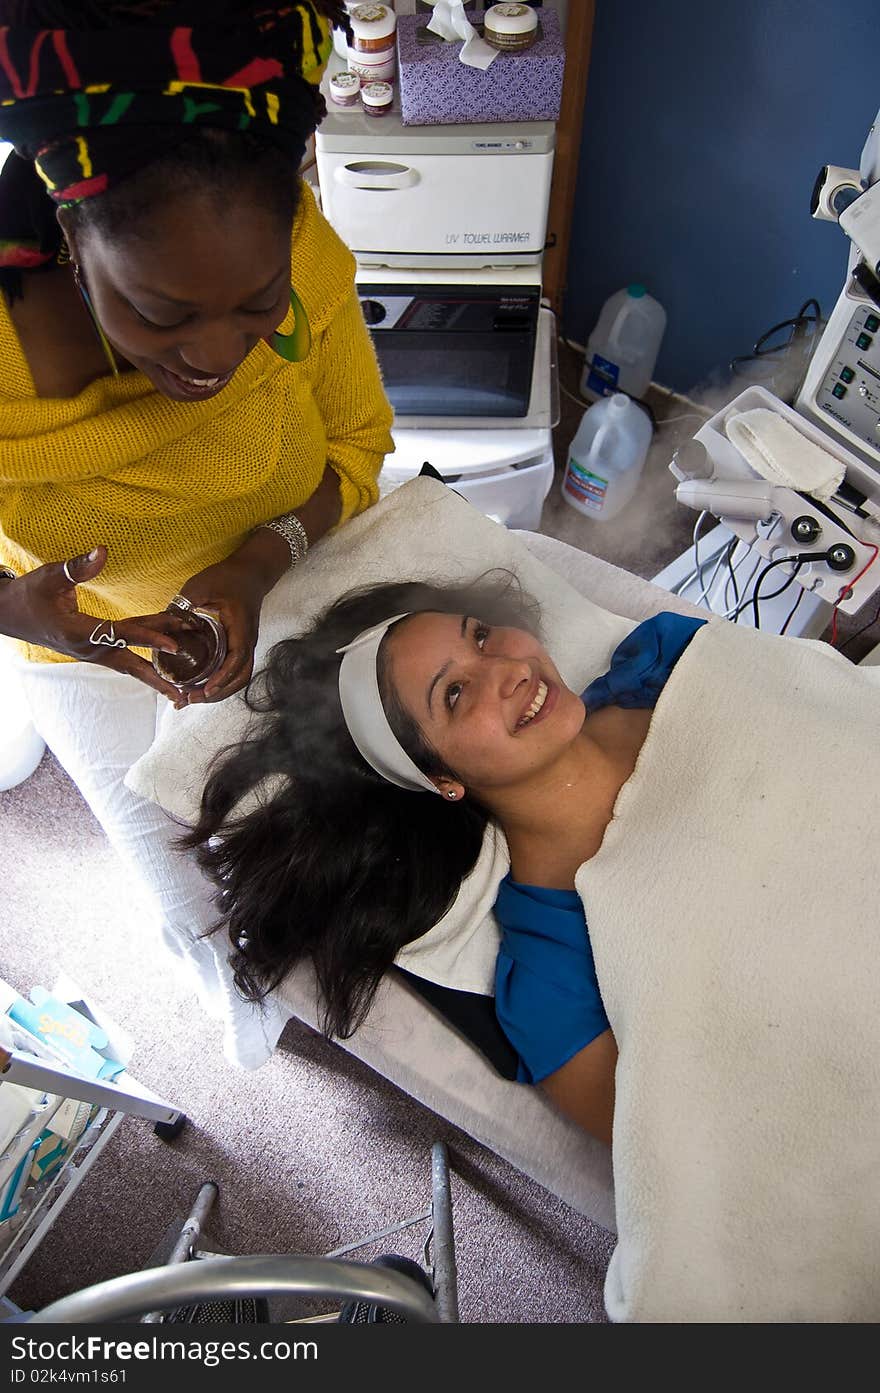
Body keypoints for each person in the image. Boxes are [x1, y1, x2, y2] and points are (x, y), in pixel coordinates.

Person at [0, 0, 394, 1062]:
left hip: (284, 583)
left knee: (321, 837)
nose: (214, 354)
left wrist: (267, 556)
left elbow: (359, 442)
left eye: (257, 307)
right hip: (78, 644)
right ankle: (254, 1003)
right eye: (160, 315)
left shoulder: (302, 252)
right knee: (193, 891)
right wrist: (9, 603)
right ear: (75, 238)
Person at [183, 573, 707, 1140]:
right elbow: (678, 1153)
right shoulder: (554, 983)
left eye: (480, 636)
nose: (510, 669)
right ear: (441, 779)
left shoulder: (663, 659)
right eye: (454, 694)